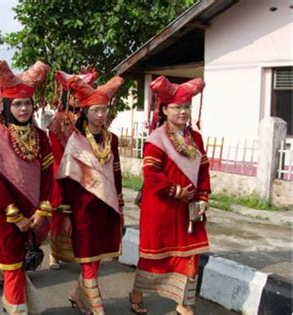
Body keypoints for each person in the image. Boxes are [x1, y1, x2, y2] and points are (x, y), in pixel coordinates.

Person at [0, 60, 52, 314]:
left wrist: (42, 210)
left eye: (27, 104)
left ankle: (15, 305)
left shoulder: (41, 136)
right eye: (17, 104)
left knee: (22, 264)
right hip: (5, 214)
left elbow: (49, 175)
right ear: (7, 106)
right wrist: (15, 216)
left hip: (35, 211)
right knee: (11, 265)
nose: (23, 109)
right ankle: (17, 309)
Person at [129, 76, 210, 315]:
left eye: (187, 107)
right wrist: (176, 191)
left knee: (190, 256)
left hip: (189, 209)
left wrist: (202, 197)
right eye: (177, 107)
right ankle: (136, 293)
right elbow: (151, 174)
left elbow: (204, 168)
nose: (183, 112)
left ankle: (184, 304)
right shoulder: (156, 140)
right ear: (164, 110)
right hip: (162, 207)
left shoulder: (195, 138)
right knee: (154, 256)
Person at [55, 75, 125, 315]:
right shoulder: (76, 140)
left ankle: (78, 294)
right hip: (83, 207)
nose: (101, 115)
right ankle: (96, 305)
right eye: (96, 110)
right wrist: (65, 214)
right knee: (87, 254)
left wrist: (120, 203)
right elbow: (67, 180)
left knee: (99, 254)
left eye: (104, 110)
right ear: (85, 112)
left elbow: (117, 173)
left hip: (107, 205)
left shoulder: (112, 140)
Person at [47, 69, 98, 270]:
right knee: (59, 214)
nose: (78, 100)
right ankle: (54, 254)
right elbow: (56, 150)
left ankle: (77, 250)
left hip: (86, 173)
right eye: (75, 96)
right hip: (62, 172)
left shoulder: (88, 120)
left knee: (81, 214)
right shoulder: (58, 120)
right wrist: (70, 170)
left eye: (82, 97)